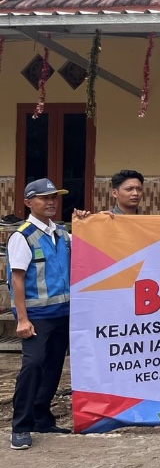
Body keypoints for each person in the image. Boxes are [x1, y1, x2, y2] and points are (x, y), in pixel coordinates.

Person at [6, 179, 72, 449]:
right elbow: (17, 280)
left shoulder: (62, 233)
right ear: (28, 202)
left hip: (63, 312)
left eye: (54, 197)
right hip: (37, 316)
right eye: (44, 198)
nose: (51, 202)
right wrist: (22, 319)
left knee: (53, 366)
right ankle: (20, 426)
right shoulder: (22, 236)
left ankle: (42, 417)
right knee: (33, 366)